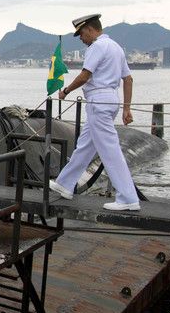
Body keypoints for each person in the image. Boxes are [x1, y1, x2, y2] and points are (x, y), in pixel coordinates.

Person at [48, 14, 140, 210]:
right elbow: (128, 79)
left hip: (98, 101)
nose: (81, 39)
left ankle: (128, 198)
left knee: (110, 150)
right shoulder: (116, 47)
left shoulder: (97, 47)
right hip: (110, 100)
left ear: (90, 29)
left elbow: (84, 76)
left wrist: (66, 91)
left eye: (82, 34)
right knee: (85, 147)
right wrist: (126, 108)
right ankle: (65, 184)